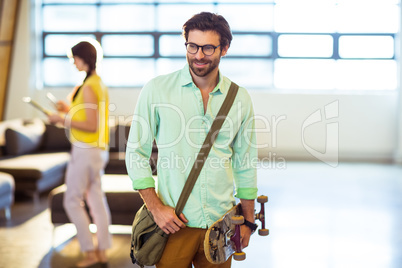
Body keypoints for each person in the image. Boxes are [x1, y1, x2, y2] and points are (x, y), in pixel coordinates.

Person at [125, 12, 258, 268]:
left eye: (208, 48)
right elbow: (136, 153)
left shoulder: (239, 98)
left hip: (222, 225)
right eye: (192, 46)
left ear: (225, 49)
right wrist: (155, 208)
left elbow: (246, 163)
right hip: (174, 224)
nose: (198, 55)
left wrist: (248, 222)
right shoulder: (157, 90)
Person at [48, 40, 111, 268]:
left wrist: (61, 119)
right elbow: (88, 115)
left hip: (86, 150)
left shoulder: (89, 86)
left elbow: (91, 124)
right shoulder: (97, 83)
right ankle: (102, 252)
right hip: (96, 151)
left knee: (72, 200)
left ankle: (90, 253)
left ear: (84, 58)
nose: (73, 62)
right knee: (95, 200)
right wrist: (68, 110)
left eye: (74, 58)